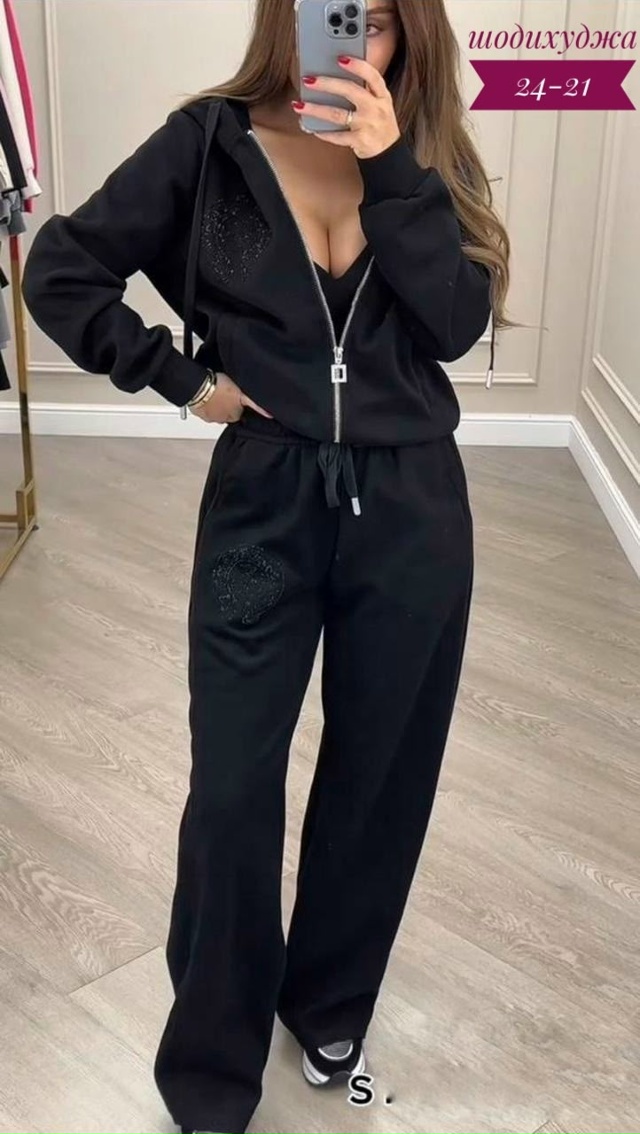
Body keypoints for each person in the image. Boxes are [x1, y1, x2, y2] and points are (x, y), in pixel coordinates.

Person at [21, 1, 512, 1131]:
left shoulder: (428, 151)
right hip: (263, 505)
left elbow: (452, 325)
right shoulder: (208, 142)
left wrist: (391, 169)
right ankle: (210, 1059)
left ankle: (330, 999)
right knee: (234, 784)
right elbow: (62, 269)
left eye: (374, 20)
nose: (350, 39)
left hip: (413, 511)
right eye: (326, 9)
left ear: (406, 34)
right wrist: (180, 378)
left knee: (381, 775)